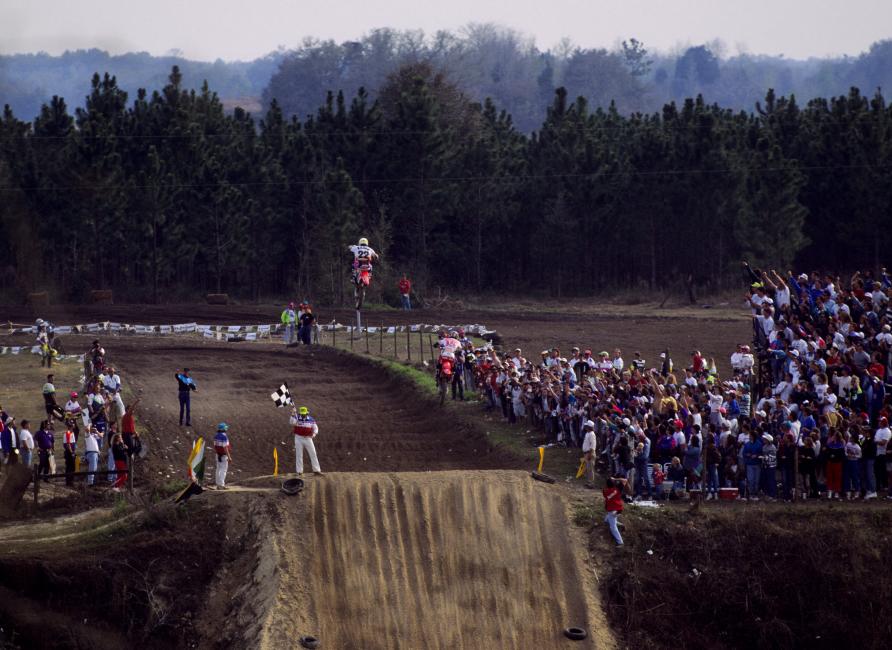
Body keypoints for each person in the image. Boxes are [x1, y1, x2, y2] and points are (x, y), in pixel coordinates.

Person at [291, 406, 323, 476]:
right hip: (298, 438)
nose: (303, 415)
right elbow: (292, 423)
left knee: (313, 453)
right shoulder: (297, 417)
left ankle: (316, 470)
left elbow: (316, 428)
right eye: (302, 414)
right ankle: (299, 471)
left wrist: (314, 434)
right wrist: (293, 414)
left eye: (304, 414)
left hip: (308, 438)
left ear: (307, 413)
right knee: (299, 454)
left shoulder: (311, 419)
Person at [602, 477, 628, 547]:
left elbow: (606, 492)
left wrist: (611, 481)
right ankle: (621, 525)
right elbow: (625, 480)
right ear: (614, 484)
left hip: (612, 511)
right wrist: (616, 479)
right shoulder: (618, 489)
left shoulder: (605, 491)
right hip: (619, 509)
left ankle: (620, 542)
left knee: (612, 527)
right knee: (607, 520)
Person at [213, 423, 232, 489]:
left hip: (218, 454)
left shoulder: (216, 436)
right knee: (223, 470)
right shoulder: (224, 436)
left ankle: (218, 484)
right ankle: (221, 485)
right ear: (224, 429)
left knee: (218, 469)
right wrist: (229, 457)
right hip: (223, 455)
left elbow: (215, 446)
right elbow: (225, 448)